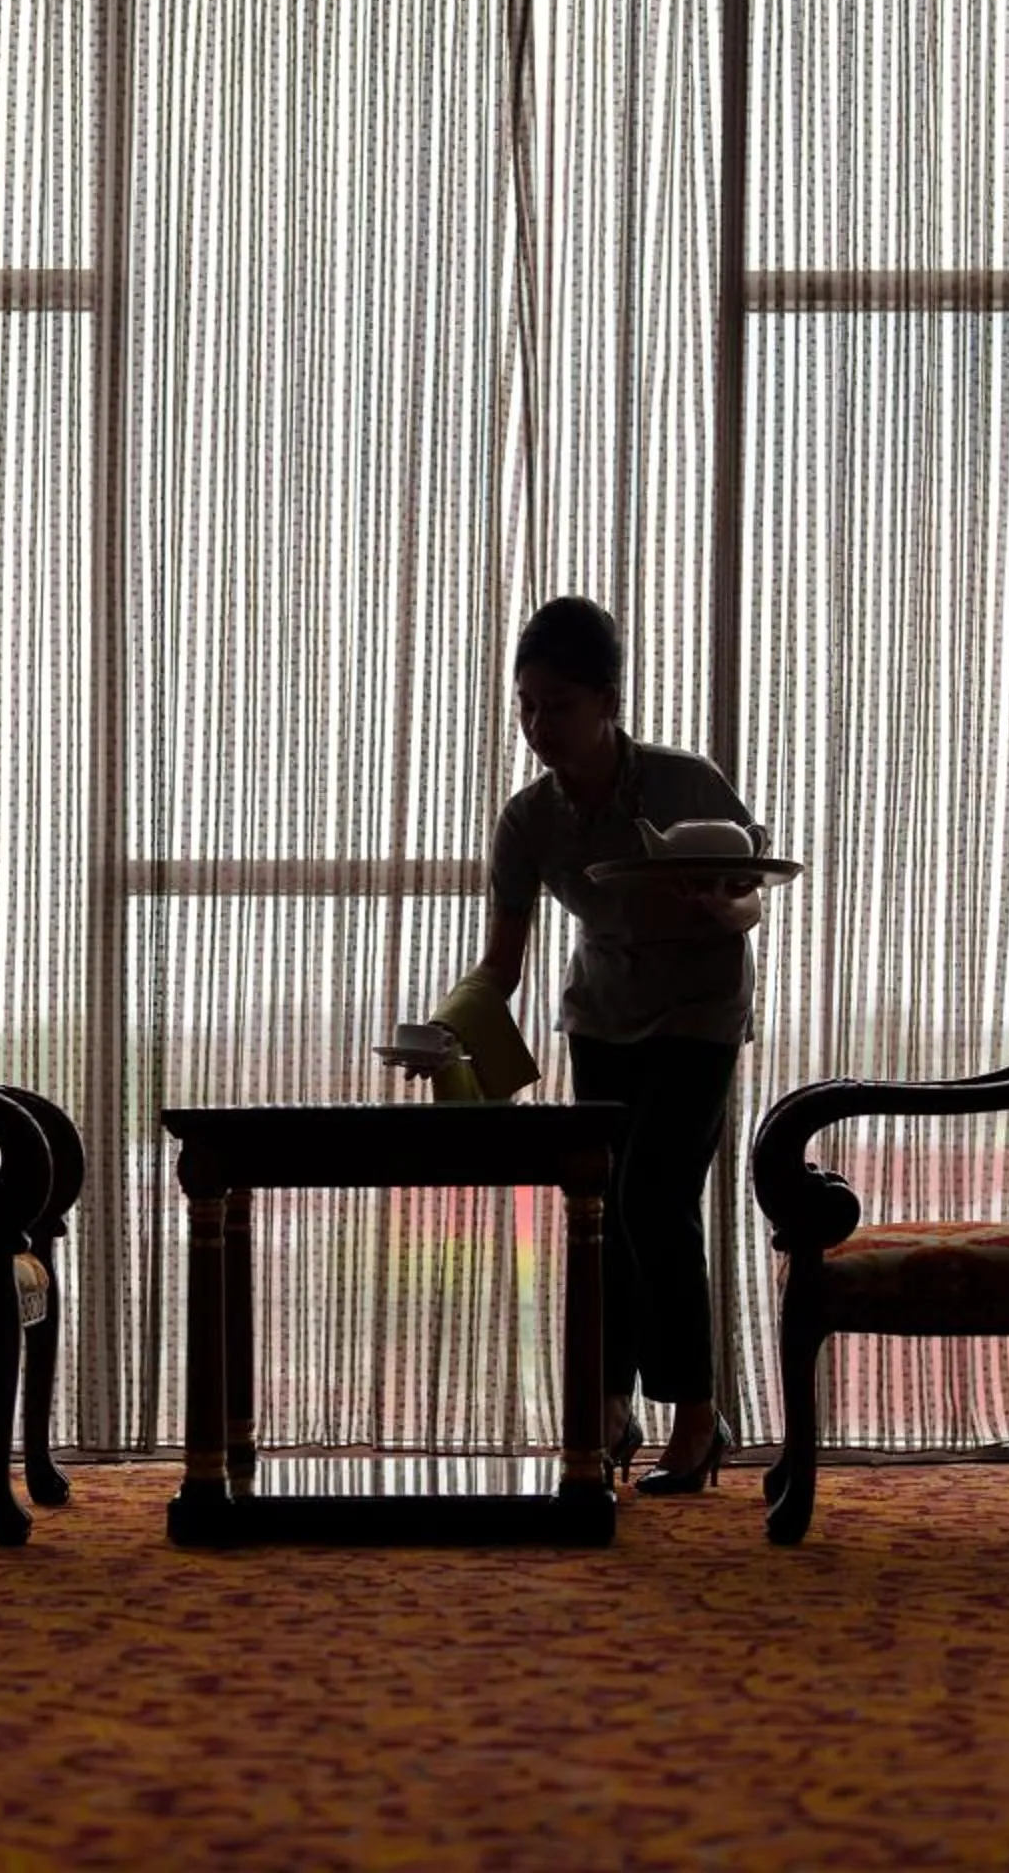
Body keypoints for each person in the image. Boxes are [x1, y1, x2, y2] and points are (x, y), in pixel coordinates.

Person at [424, 595, 766, 1495]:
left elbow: (752, 896)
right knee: (604, 1213)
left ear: (610, 701)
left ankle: (696, 1418)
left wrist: (717, 904)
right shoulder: (528, 821)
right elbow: (501, 966)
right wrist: (444, 1037)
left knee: (656, 1200)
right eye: (526, 706)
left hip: (699, 1011)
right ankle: (612, 1409)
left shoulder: (685, 780)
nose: (539, 726)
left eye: (559, 706)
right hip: (603, 1019)